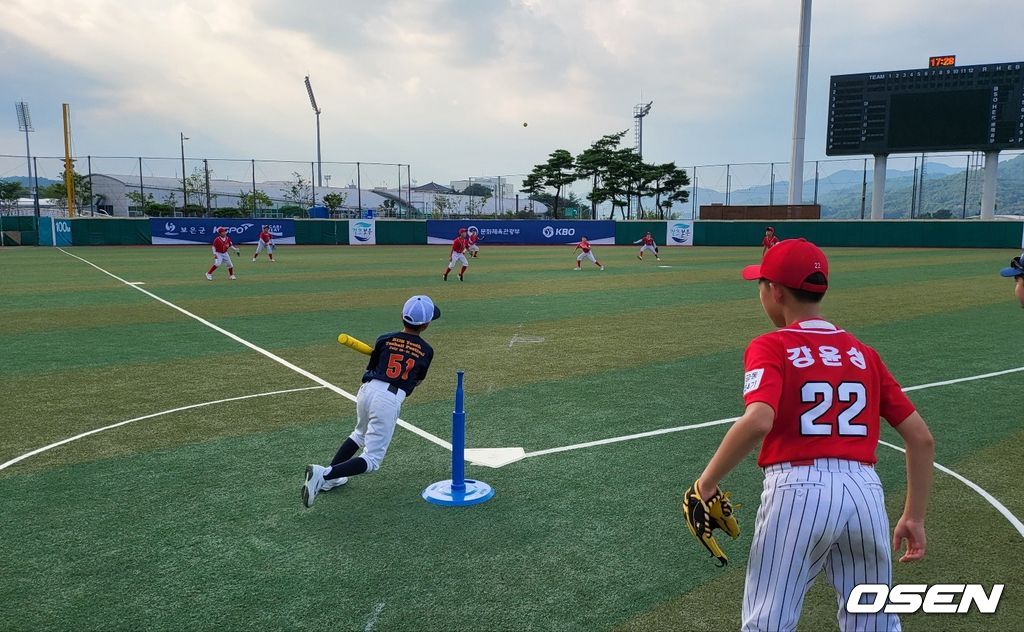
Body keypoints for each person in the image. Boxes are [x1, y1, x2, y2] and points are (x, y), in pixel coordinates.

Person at [693, 238, 935, 631]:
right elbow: (921, 438)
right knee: (873, 620)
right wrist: (914, 515)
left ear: (775, 291)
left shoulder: (771, 345)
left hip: (798, 489)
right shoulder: (863, 353)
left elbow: (758, 420)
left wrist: (706, 483)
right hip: (865, 492)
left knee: (768, 620)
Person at [302, 295, 440, 507]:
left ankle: (329, 479)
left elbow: (374, 366)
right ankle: (324, 473)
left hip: (367, 391)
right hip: (389, 398)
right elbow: (417, 380)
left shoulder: (384, 339)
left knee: (359, 434)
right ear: (426, 324)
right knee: (372, 460)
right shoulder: (427, 351)